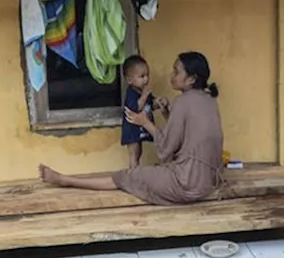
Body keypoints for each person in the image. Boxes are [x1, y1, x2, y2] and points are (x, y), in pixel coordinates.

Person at [39, 52, 224, 205]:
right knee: (140, 172)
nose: (171, 76)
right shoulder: (208, 100)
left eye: (176, 72)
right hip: (209, 182)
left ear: (191, 79)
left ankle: (64, 180)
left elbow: (166, 149)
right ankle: (65, 180)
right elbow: (184, 139)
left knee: (125, 176)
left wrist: (145, 123)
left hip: (186, 184)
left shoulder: (183, 102)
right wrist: (167, 114)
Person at [121, 55, 155, 169]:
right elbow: (135, 108)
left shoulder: (143, 91)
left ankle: (135, 173)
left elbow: (151, 105)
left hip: (139, 129)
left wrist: (159, 103)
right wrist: (145, 96)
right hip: (132, 130)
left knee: (139, 152)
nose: (146, 79)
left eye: (147, 75)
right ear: (129, 79)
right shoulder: (131, 93)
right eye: (142, 76)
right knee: (134, 154)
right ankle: (132, 175)